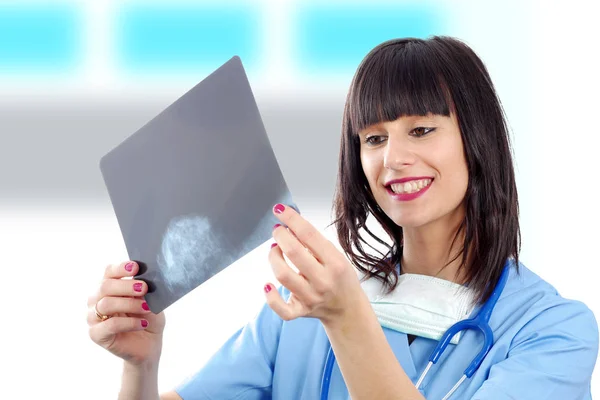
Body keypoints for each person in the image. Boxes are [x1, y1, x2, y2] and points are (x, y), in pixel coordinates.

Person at [87, 36, 599, 399]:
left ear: (477, 139)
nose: (392, 158)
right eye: (373, 138)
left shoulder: (552, 332)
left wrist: (347, 316)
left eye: (421, 130)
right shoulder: (301, 308)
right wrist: (141, 367)